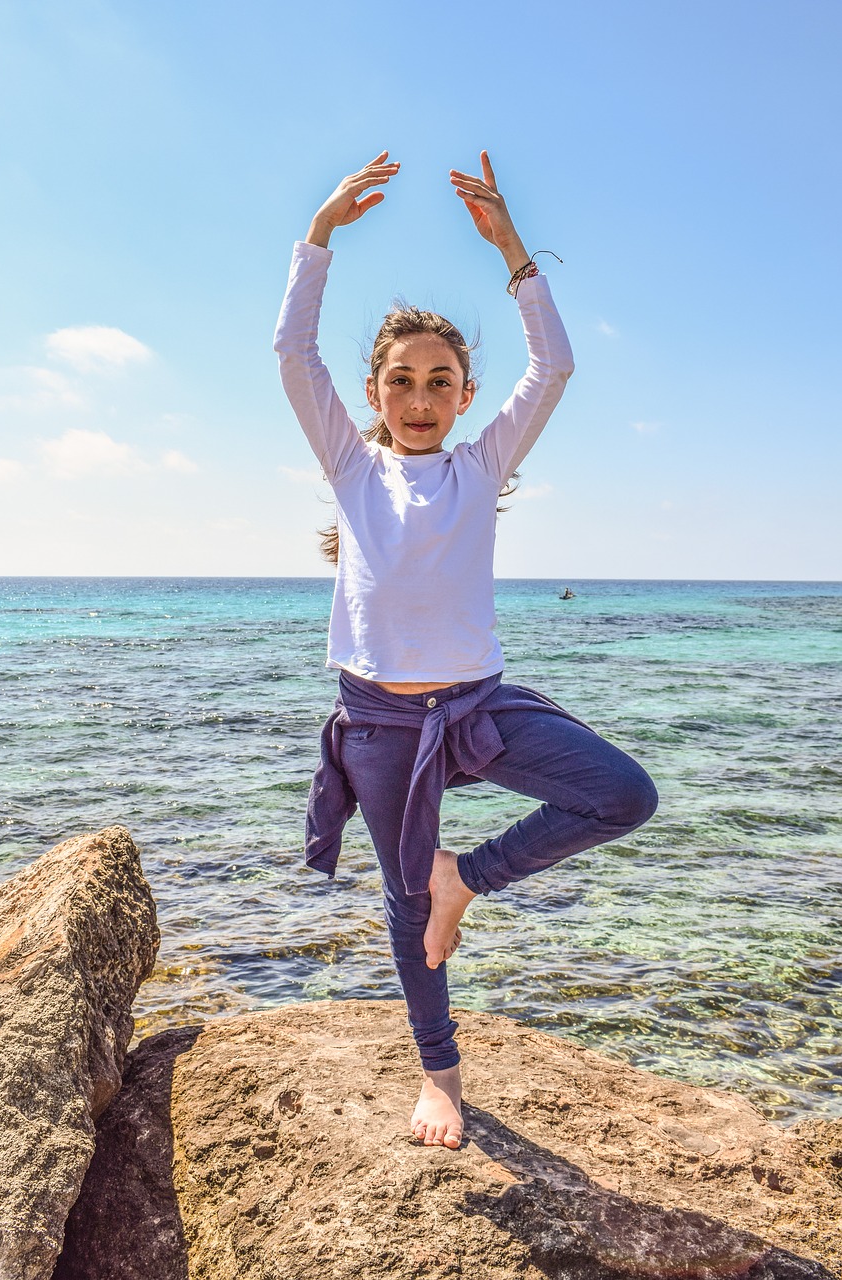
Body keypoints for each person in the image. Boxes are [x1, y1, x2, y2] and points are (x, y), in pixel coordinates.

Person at [274, 151, 658, 1150]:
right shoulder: (352, 467)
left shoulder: (480, 466)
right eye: (400, 380)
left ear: (462, 394)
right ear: (374, 390)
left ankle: (469, 875)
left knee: (621, 793)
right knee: (403, 907)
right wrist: (317, 236)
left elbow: (555, 368)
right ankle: (438, 1075)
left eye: (439, 381)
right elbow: (290, 354)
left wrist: (512, 252)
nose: (419, 395)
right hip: (381, 719)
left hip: (477, 707)